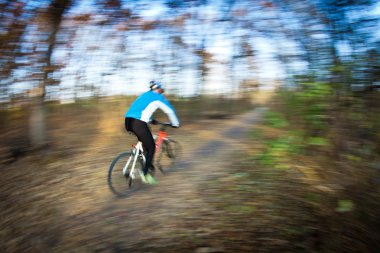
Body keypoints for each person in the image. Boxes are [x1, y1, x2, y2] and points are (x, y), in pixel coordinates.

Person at [125, 81, 180, 184]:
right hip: (139, 123)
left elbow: (141, 109)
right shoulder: (158, 97)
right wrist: (176, 123)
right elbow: (169, 110)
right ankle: (145, 174)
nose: (161, 93)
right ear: (158, 89)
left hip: (128, 121)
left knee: (145, 143)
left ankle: (144, 163)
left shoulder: (144, 95)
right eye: (161, 90)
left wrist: (151, 120)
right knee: (151, 147)